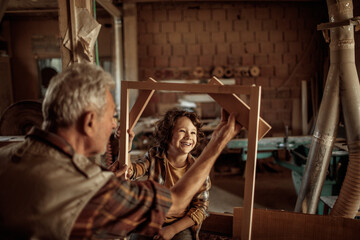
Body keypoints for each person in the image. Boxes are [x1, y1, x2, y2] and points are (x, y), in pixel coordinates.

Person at [0, 63, 241, 239]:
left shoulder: (6, 155)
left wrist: (109, 181)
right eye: (113, 115)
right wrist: (218, 141)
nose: (116, 124)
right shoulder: (86, 185)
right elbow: (175, 203)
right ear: (89, 121)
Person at [127, 109, 209, 240]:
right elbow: (131, 172)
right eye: (182, 131)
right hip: (151, 218)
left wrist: (172, 229)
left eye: (193, 132)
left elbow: (200, 209)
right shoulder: (154, 155)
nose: (189, 136)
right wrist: (126, 145)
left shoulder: (199, 169)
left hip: (179, 224)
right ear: (168, 134)